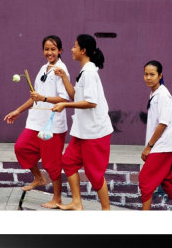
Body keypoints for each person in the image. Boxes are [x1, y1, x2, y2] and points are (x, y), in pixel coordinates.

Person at [3, 35, 70, 209]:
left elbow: (64, 98)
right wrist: (18, 110)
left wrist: (44, 98)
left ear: (60, 51)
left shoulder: (61, 70)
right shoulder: (43, 68)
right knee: (21, 147)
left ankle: (57, 199)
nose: (49, 52)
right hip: (35, 121)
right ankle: (39, 177)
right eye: (46, 49)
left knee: (52, 163)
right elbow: (35, 97)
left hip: (52, 124)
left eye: (53, 49)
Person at [52, 34, 113, 210]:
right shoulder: (85, 71)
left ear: (83, 50)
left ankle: (106, 210)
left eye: (75, 46)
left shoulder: (90, 73)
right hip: (83, 131)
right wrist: (64, 77)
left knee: (94, 174)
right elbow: (76, 97)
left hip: (95, 132)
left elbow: (91, 102)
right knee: (69, 161)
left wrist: (65, 104)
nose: (72, 49)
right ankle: (77, 202)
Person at [138, 61, 172, 210]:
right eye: (146, 74)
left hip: (163, 146)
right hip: (165, 146)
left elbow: (163, 123)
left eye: (152, 74)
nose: (148, 77)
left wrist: (149, 147)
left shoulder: (163, 95)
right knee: (169, 184)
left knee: (145, 180)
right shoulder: (155, 93)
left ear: (160, 75)